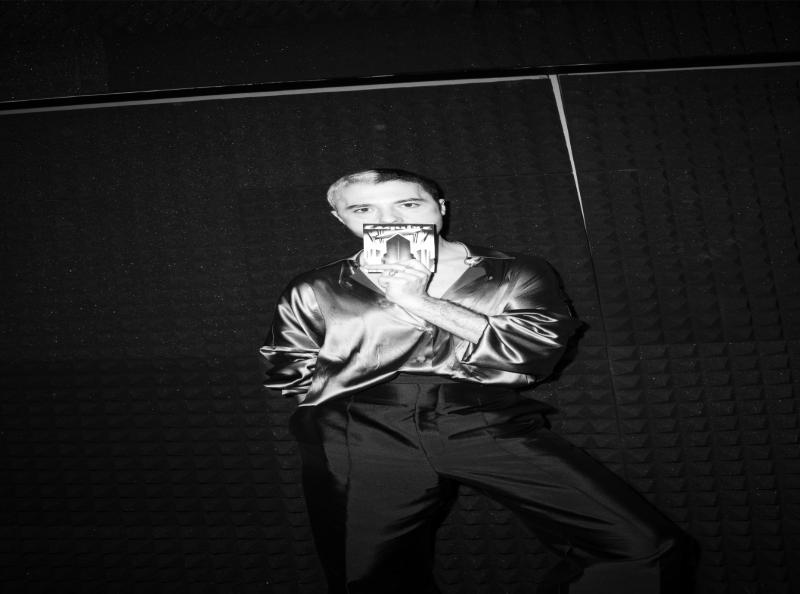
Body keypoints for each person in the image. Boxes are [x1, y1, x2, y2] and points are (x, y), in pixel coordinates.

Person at [260, 169, 686, 594]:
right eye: (364, 209)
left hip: (482, 416)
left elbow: (538, 352)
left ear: (440, 208)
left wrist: (418, 300)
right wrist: (343, 422)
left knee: (640, 546)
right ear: (341, 218)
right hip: (361, 429)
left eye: (407, 204)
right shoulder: (315, 286)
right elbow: (289, 368)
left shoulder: (515, 271)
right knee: (369, 578)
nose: (389, 219)